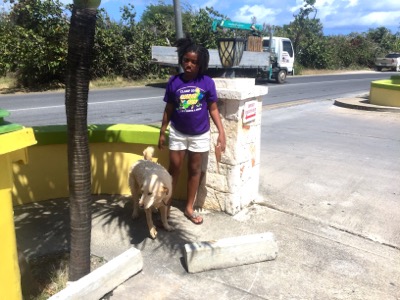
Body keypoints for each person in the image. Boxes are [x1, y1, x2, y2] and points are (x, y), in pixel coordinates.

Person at [158, 37, 226, 225]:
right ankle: (167, 204)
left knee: (195, 170)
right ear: (182, 59)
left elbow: (213, 108)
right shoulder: (174, 82)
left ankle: (189, 208)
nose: (189, 64)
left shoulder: (207, 82)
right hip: (178, 133)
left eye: (194, 62)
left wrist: (221, 132)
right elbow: (169, 109)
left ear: (200, 64)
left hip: (200, 134)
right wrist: (162, 131)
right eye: (186, 60)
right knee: (174, 169)